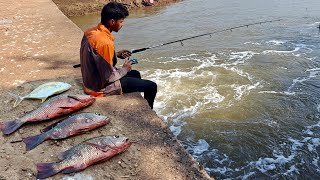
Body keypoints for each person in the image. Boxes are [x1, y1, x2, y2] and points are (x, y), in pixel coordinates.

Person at [80, 2, 157, 109]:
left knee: (135, 74)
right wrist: (125, 69)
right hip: (98, 89)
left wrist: (116, 54)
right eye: (121, 21)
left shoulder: (90, 32)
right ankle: (149, 112)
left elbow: (97, 54)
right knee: (151, 86)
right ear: (112, 22)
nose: (122, 24)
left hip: (90, 80)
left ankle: (134, 102)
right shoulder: (105, 42)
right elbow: (109, 77)